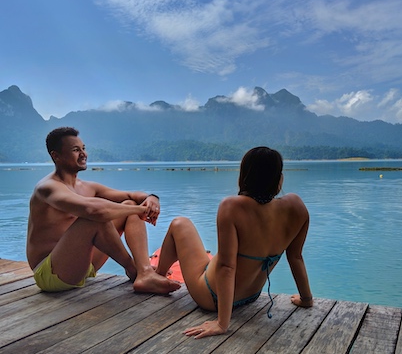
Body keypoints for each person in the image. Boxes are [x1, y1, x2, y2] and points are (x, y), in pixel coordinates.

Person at [155, 146, 313, 339]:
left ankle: (159, 276)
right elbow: (296, 257)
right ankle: (158, 276)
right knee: (205, 256)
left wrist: (222, 324)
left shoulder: (232, 207)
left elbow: (227, 267)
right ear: (279, 179)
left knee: (179, 224)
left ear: (244, 176)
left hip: (212, 298)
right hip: (251, 296)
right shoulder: (296, 207)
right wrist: (306, 299)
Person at [26, 126, 180, 294]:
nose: (83, 154)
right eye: (75, 150)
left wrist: (151, 199)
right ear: (56, 156)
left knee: (128, 206)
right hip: (51, 274)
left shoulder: (87, 187)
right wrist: (139, 209)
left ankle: (144, 271)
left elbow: (131, 195)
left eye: (83, 149)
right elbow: (92, 210)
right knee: (94, 218)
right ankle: (134, 270)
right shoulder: (47, 188)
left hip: (83, 265)